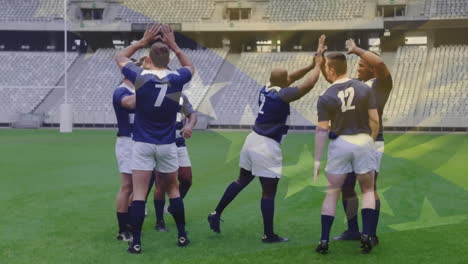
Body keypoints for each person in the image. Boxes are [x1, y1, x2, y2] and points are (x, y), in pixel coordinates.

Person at [207, 37, 325, 243]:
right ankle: (268, 235)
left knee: (241, 180)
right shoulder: (282, 96)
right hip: (267, 146)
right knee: (268, 192)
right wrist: (317, 65)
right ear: (284, 81)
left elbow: (291, 78)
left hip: (251, 140)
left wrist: (310, 64)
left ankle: (215, 213)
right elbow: (308, 85)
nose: (289, 79)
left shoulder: (266, 88)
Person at [115, 23, 195, 253]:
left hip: (142, 143)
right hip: (168, 143)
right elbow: (190, 66)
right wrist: (174, 45)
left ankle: (137, 243)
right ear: (168, 57)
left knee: (139, 192)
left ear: (148, 57)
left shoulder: (140, 76)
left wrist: (142, 41)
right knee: (173, 190)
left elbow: (120, 56)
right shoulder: (177, 78)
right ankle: (181, 236)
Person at [321, 37, 393, 243]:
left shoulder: (381, 83)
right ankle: (353, 230)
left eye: (361, 65)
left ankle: (370, 233)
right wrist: (323, 63)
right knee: (347, 186)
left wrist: (355, 49)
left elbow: (380, 63)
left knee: (370, 187)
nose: (358, 68)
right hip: (352, 141)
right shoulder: (357, 86)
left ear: (371, 69)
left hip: (372, 141)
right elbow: (334, 83)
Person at [313, 52, 380, 254]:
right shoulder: (363, 89)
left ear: (331, 69)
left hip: (340, 143)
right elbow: (375, 120)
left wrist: (317, 160)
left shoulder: (325, 96)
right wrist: (370, 140)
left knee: (332, 192)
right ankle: (367, 235)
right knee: (368, 190)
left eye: (326, 68)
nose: (326, 70)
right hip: (362, 141)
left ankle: (324, 241)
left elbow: (322, 130)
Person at [154, 92, 197, 231]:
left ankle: (173, 207)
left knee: (187, 179)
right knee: (161, 183)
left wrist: (189, 126)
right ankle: (159, 221)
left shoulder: (181, 96)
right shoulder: (154, 94)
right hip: (161, 143)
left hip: (179, 142)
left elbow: (192, 114)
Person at [113, 77, 136, 242]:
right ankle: (122, 230)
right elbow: (128, 103)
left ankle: (129, 224)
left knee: (137, 187)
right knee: (127, 186)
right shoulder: (121, 91)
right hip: (127, 142)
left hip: (140, 142)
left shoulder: (135, 91)